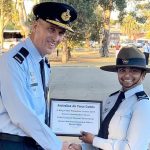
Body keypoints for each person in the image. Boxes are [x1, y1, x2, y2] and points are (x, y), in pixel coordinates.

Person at [0, 2, 77, 150]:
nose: (56, 38)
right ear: (35, 27)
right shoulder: (14, 61)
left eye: (61, 33)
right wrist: (57, 145)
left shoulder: (42, 63)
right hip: (13, 143)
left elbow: (39, 110)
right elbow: (21, 115)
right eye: (51, 29)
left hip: (34, 141)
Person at [69, 46, 150, 150]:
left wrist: (94, 140)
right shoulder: (112, 99)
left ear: (143, 75)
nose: (126, 75)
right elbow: (103, 135)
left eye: (134, 71)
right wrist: (83, 147)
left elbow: (132, 148)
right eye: (122, 70)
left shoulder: (143, 105)